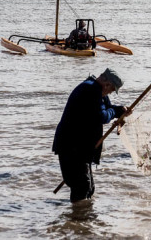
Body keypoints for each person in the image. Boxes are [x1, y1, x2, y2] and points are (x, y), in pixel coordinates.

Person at [52, 68, 129, 202]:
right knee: (82, 187)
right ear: (106, 84)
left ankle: (83, 219)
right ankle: (77, 219)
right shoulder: (91, 90)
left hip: (80, 147)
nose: (109, 93)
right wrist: (115, 112)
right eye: (111, 90)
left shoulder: (97, 90)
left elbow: (107, 109)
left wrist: (120, 110)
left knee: (88, 188)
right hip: (71, 146)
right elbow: (102, 116)